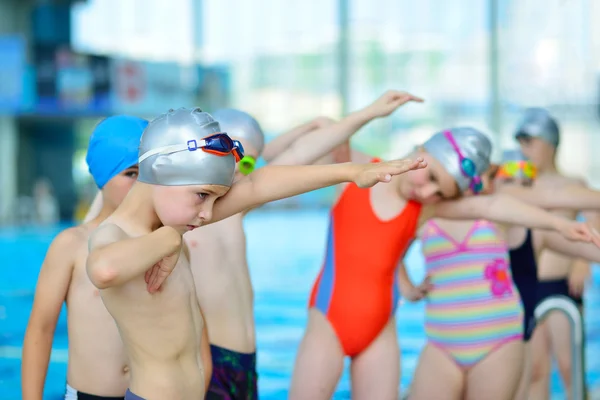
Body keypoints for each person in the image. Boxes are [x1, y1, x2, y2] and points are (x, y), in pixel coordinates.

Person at [85, 107, 427, 400]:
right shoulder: (119, 233)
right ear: (162, 172)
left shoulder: (180, 216)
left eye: (215, 199)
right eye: (202, 195)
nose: (208, 213)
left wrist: (352, 172)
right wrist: (170, 241)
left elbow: (258, 184)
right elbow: (103, 269)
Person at [290, 127, 599, 400]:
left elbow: (554, 197)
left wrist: (565, 227)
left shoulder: (489, 209)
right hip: (442, 340)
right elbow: (385, 243)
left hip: (497, 338)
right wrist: (407, 286)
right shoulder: (428, 208)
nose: (503, 181)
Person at [185, 90, 423, 399]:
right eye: (225, 157)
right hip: (211, 361)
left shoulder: (233, 207)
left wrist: (369, 113)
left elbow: (299, 157)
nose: (235, 172)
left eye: (246, 165)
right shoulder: (184, 219)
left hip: (245, 362)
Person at [22, 115, 150, 400]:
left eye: (148, 171)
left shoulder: (162, 242)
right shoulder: (72, 245)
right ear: (104, 177)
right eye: (130, 173)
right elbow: (41, 330)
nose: (142, 183)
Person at [514, 108, 600, 400]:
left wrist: (581, 262)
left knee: (569, 366)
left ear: (550, 144)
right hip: (529, 285)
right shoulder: (520, 185)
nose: (523, 149)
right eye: (521, 142)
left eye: (529, 141)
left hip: (562, 285)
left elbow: (595, 225)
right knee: (535, 370)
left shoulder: (574, 184)